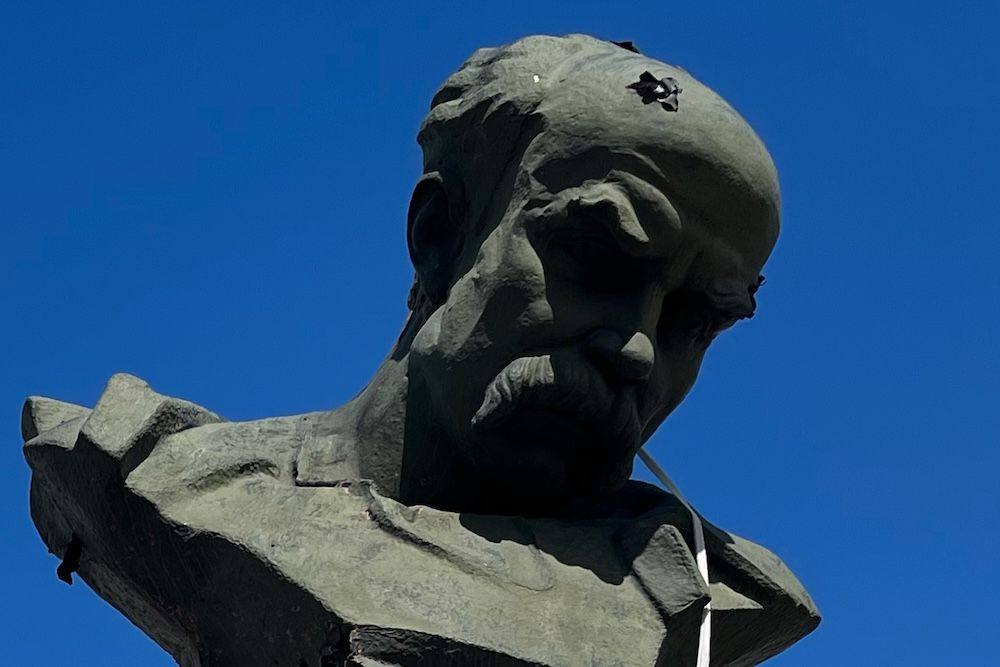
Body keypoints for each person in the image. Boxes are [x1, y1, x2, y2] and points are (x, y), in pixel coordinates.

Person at [23, 34, 819, 666]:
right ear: (441, 237)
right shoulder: (163, 478)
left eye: (695, 320)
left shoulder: (709, 596)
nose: (638, 351)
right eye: (598, 258)